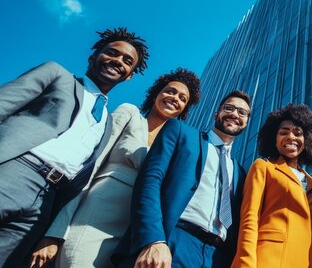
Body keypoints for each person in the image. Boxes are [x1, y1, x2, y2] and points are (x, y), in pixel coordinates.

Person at [0, 27, 148, 266]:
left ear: (129, 75)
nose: (118, 61)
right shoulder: (57, 74)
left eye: (127, 61)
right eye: (112, 53)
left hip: (47, 201)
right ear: (93, 57)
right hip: (14, 170)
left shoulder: (108, 123)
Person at [29, 68, 201, 268]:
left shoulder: (174, 147)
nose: (174, 98)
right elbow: (91, 166)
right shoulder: (130, 113)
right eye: (170, 91)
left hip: (136, 228)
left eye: (182, 98)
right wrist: (56, 231)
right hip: (98, 212)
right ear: (156, 93)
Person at [112, 90, 252, 268]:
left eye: (242, 112)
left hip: (217, 258)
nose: (234, 114)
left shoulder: (241, 172)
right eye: (229, 108)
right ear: (217, 113)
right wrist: (154, 239)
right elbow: (150, 180)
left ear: (246, 122)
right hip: (172, 239)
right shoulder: (180, 131)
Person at [232, 104, 312, 268]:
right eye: (283, 133)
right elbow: (249, 218)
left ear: (307, 140)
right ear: (274, 140)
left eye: (298, 133)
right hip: (268, 259)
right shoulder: (263, 166)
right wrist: (245, 263)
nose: (291, 137)